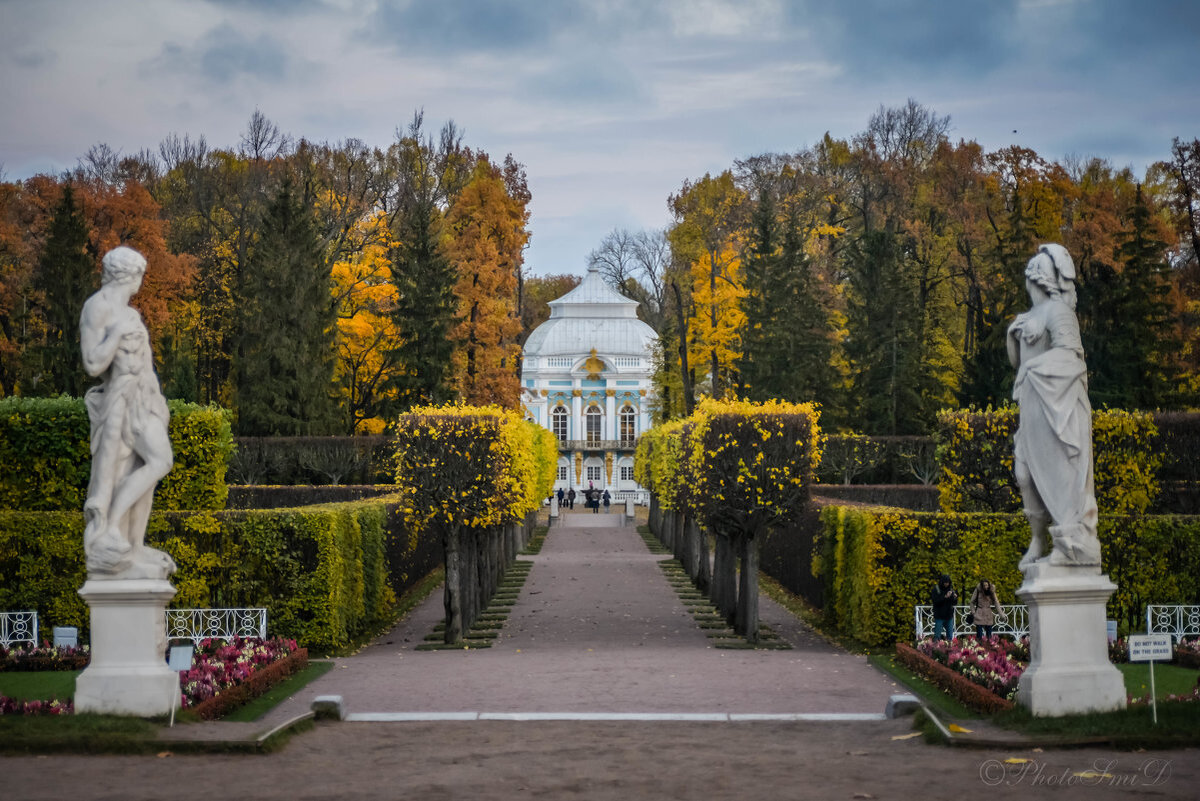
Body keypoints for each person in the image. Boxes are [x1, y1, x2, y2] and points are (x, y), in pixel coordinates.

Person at [79, 246, 176, 580]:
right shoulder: (98, 308)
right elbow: (92, 363)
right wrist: (117, 334)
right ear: (130, 275)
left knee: (147, 466)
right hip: (122, 401)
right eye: (140, 275)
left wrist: (157, 402)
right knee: (159, 460)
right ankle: (111, 532)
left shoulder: (130, 312)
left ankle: (133, 546)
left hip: (144, 398)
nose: (141, 282)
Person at [1007, 244, 1101, 569]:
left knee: (1060, 477)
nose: (1028, 286)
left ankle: (1069, 539)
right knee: (1024, 474)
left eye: (1031, 280)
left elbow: (1072, 357)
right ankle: (1038, 538)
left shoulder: (1058, 312)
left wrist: (1033, 367)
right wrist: (1013, 336)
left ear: (1040, 280)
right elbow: (1018, 364)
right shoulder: (1031, 315)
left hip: (1058, 407)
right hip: (1032, 407)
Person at [930, 574, 957, 641]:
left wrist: (955, 598)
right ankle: (936, 648)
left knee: (950, 636)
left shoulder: (950, 589)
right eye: (945, 583)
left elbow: (954, 603)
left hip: (949, 615)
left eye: (948, 583)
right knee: (937, 635)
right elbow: (935, 601)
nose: (946, 584)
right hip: (939, 615)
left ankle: (949, 648)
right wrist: (945, 597)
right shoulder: (936, 589)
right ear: (942, 582)